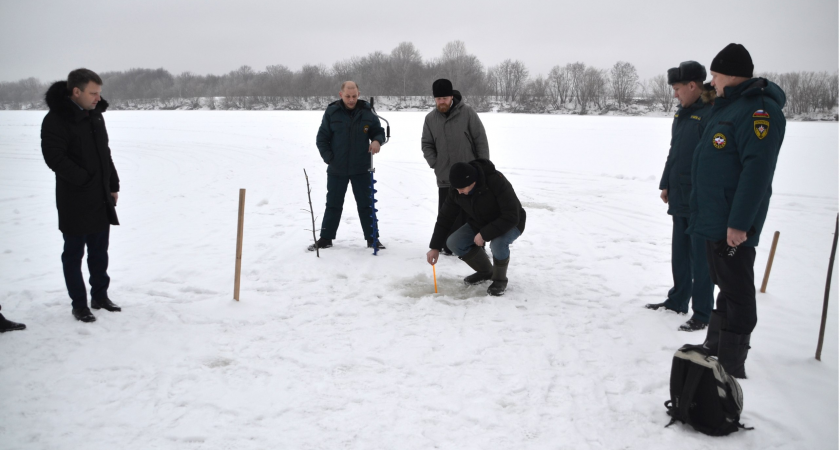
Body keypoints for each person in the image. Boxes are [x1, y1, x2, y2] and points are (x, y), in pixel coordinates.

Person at [686, 44, 787, 379]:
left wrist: (740, 224)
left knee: (738, 290)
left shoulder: (759, 112)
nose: (711, 82)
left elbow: (757, 172)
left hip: (732, 223)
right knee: (724, 284)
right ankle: (715, 346)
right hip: (716, 218)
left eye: (714, 75)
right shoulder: (728, 107)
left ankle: (731, 360)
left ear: (730, 74)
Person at [41, 68, 122, 323]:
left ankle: (100, 296)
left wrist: (112, 183)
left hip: (100, 196)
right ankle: (79, 304)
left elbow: (104, 153)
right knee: (74, 253)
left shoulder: (95, 116)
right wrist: (86, 181)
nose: (98, 98)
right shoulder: (56, 119)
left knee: (100, 251)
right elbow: (55, 158)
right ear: (76, 92)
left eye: (99, 93)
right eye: (93, 93)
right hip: (74, 198)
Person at [645, 61, 715, 332]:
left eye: (677, 89)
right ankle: (677, 300)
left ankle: (703, 313)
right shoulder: (682, 114)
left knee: (701, 257)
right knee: (680, 253)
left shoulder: (710, 113)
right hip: (680, 193)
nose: (675, 94)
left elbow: (711, 161)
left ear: (693, 86)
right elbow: (675, 152)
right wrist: (666, 183)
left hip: (699, 198)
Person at [426, 160, 525, 296]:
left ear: (472, 182)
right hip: (481, 221)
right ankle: (486, 271)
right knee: (454, 242)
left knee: (498, 244)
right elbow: (445, 218)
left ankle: (499, 280)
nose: (459, 192)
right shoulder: (457, 190)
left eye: (462, 189)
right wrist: (435, 247)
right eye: (456, 189)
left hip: (511, 222)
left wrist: (484, 234)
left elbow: (512, 215)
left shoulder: (495, 180)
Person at [309, 81, 386, 251]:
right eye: (347, 96)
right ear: (340, 95)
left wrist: (376, 141)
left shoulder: (367, 111)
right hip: (337, 168)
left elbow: (378, 131)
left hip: (362, 167)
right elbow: (322, 139)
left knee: (366, 204)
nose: (351, 100)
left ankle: (372, 239)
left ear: (359, 94)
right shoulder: (332, 112)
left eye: (354, 96)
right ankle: (326, 238)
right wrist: (330, 158)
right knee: (333, 204)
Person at [421, 79, 489, 255]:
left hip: (470, 177)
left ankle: (475, 245)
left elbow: (480, 139)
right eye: (438, 99)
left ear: (451, 96)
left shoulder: (467, 113)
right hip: (445, 176)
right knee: (447, 213)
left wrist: (483, 166)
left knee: (472, 212)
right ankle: (447, 247)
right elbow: (426, 144)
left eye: (444, 98)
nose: (441, 102)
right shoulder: (430, 119)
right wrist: (435, 164)